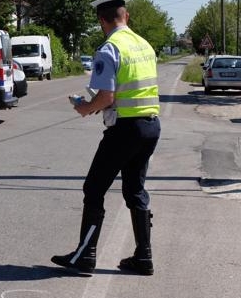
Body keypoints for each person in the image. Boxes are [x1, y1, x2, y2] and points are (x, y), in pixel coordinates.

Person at [51, 0, 161, 275]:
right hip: (151, 126)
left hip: (125, 129)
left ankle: (85, 254)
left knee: (94, 189)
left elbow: (106, 96)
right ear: (127, 16)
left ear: (102, 20)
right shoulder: (144, 44)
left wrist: (85, 108)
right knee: (135, 190)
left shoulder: (110, 48)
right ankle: (143, 257)